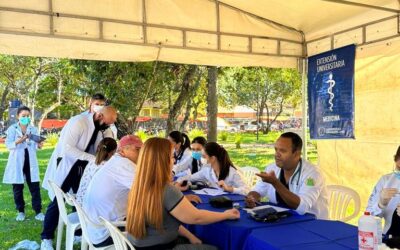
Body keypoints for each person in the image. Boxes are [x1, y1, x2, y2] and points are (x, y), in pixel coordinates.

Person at [126, 137, 240, 250]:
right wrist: (226, 215)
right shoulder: (167, 190)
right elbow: (196, 218)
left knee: (196, 239)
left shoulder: (139, 185)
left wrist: (190, 236)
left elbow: (166, 219)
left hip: (137, 245)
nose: (174, 160)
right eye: (171, 157)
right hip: (160, 246)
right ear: (162, 161)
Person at [40, 106, 117, 250]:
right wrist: (92, 159)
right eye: (108, 122)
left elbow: (107, 145)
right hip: (70, 165)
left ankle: (79, 233)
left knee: (83, 201)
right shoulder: (79, 122)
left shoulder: (105, 128)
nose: (109, 125)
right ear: (100, 116)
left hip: (88, 168)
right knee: (58, 201)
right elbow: (67, 148)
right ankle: (47, 237)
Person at [245, 132, 329, 219]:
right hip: (281, 221)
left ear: (296, 154)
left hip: (311, 223)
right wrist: (252, 198)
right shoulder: (272, 168)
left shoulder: (313, 174)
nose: (277, 154)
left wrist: (275, 183)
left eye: (282, 151)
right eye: (276, 150)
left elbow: (302, 207)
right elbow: (257, 191)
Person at [83, 135, 143, 248]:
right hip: (106, 234)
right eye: (137, 149)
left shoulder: (116, 161)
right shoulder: (125, 165)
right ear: (123, 150)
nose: (141, 154)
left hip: (95, 228)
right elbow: (153, 193)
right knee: (158, 227)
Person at [2, 106, 44, 221]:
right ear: (18, 117)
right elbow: (8, 144)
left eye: (27, 116)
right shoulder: (12, 129)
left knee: (35, 187)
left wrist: (39, 144)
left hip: (30, 161)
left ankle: (38, 212)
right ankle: (20, 211)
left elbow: (35, 145)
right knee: (17, 188)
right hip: (17, 161)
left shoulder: (33, 129)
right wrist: (21, 139)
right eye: (23, 116)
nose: (25, 118)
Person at [178, 142, 249, 195]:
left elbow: (247, 190)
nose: (201, 158)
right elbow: (190, 177)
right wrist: (178, 182)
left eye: (204, 156)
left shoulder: (231, 172)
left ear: (212, 158)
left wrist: (229, 189)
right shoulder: (207, 170)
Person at [366, 145, 400, 238]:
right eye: (398, 167)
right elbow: (368, 218)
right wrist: (380, 204)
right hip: (390, 238)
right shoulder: (386, 181)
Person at [75, 137, 117, 206]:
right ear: (111, 153)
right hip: (88, 208)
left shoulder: (92, 162)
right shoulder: (107, 167)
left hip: (79, 203)